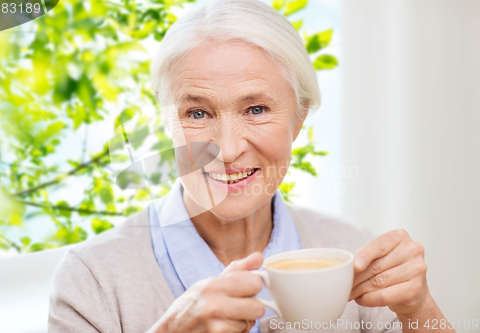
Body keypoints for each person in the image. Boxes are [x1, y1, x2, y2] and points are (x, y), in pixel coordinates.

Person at [48, 0, 455, 332]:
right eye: (197, 114)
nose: (226, 149)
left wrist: (419, 310)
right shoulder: (91, 281)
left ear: (298, 118)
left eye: (256, 109)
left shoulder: (352, 256)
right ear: (166, 123)